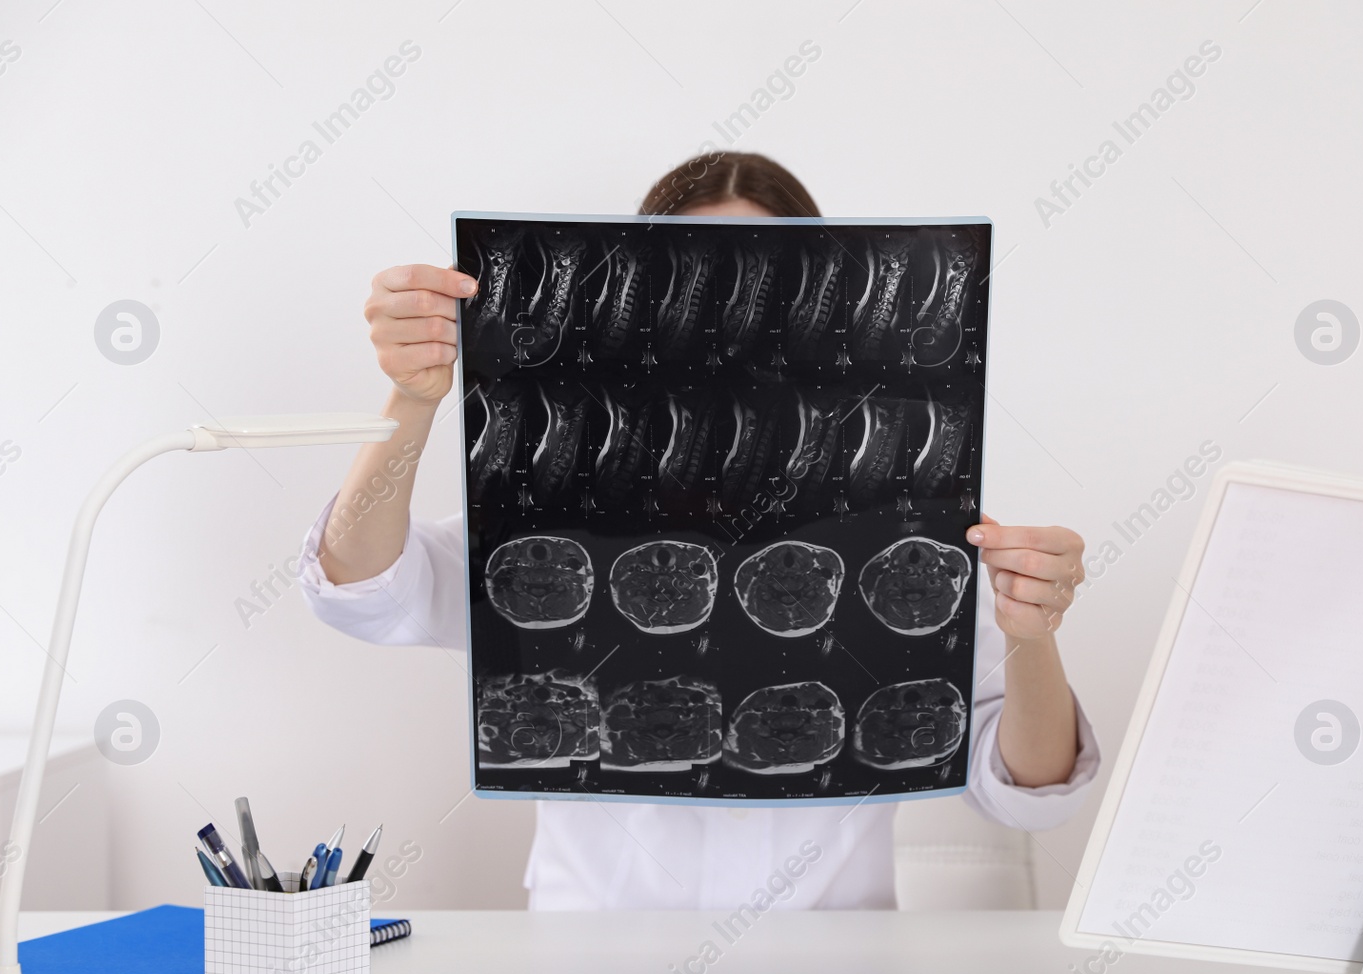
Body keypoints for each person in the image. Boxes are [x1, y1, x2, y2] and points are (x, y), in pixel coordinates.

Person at [298, 151, 1100, 909]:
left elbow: (1027, 793)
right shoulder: (545, 531)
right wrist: (411, 398)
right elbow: (361, 587)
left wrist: (1033, 633)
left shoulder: (902, 548)